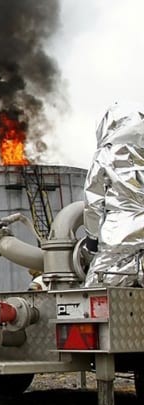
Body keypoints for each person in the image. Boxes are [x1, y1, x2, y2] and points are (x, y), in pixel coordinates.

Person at [83, 101, 144, 287]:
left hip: (118, 234)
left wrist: (92, 238)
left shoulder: (106, 154)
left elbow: (93, 201)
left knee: (98, 288)